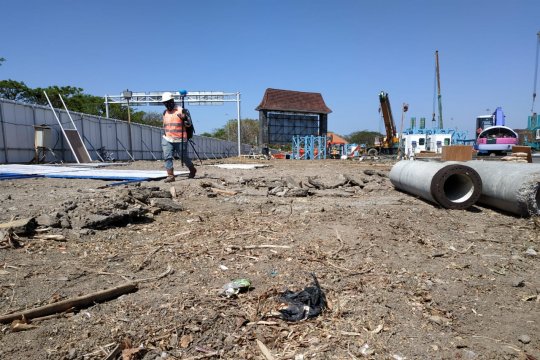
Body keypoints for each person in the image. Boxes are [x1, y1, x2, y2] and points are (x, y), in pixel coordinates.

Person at [161, 92, 196, 182]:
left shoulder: (182, 111)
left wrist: (184, 119)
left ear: (172, 101)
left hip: (180, 139)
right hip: (167, 139)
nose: (167, 104)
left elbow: (189, 125)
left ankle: (192, 169)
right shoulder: (165, 112)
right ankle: (170, 176)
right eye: (165, 103)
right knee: (167, 156)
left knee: (184, 157)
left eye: (169, 102)